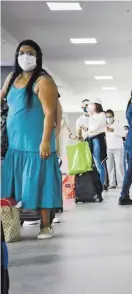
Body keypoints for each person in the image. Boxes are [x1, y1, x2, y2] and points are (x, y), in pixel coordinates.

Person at [0, 39, 62, 240]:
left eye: (31, 53)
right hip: (16, 146)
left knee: (41, 183)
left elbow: (50, 114)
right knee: (12, 186)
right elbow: (2, 97)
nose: (25, 56)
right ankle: (12, 224)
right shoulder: (12, 78)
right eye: (22, 52)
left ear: (38, 57)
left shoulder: (43, 81)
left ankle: (45, 226)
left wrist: (46, 140)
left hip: (37, 144)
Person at [86, 97, 107, 189]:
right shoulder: (92, 116)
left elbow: (95, 128)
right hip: (91, 140)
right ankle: (96, 184)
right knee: (94, 164)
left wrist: (90, 115)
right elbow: (90, 129)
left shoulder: (102, 114)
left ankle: (101, 185)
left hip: (97, 140)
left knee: (99, 164)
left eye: (92, 104)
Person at [105, 109, 126, 189]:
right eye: (107, 117)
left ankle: (121, 183)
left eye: (110, 117)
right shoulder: (104, 125)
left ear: (113, 116)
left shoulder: (118, 124)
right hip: (109, 148)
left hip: (118, 148)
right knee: (110, 167)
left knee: (119, 166)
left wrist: (113, 130)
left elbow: (123, 134)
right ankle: (112, 183)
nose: (108, 118)